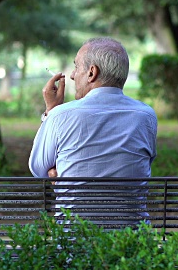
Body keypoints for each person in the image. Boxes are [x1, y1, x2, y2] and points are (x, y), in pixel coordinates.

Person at [29, 37, 158, 226]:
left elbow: (38, 169)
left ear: (91, 72)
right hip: (131, 243)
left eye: (76, 67)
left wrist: (50, 111)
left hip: (72, 241)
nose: (72, 75)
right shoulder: (146, 116)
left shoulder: (60, 115)